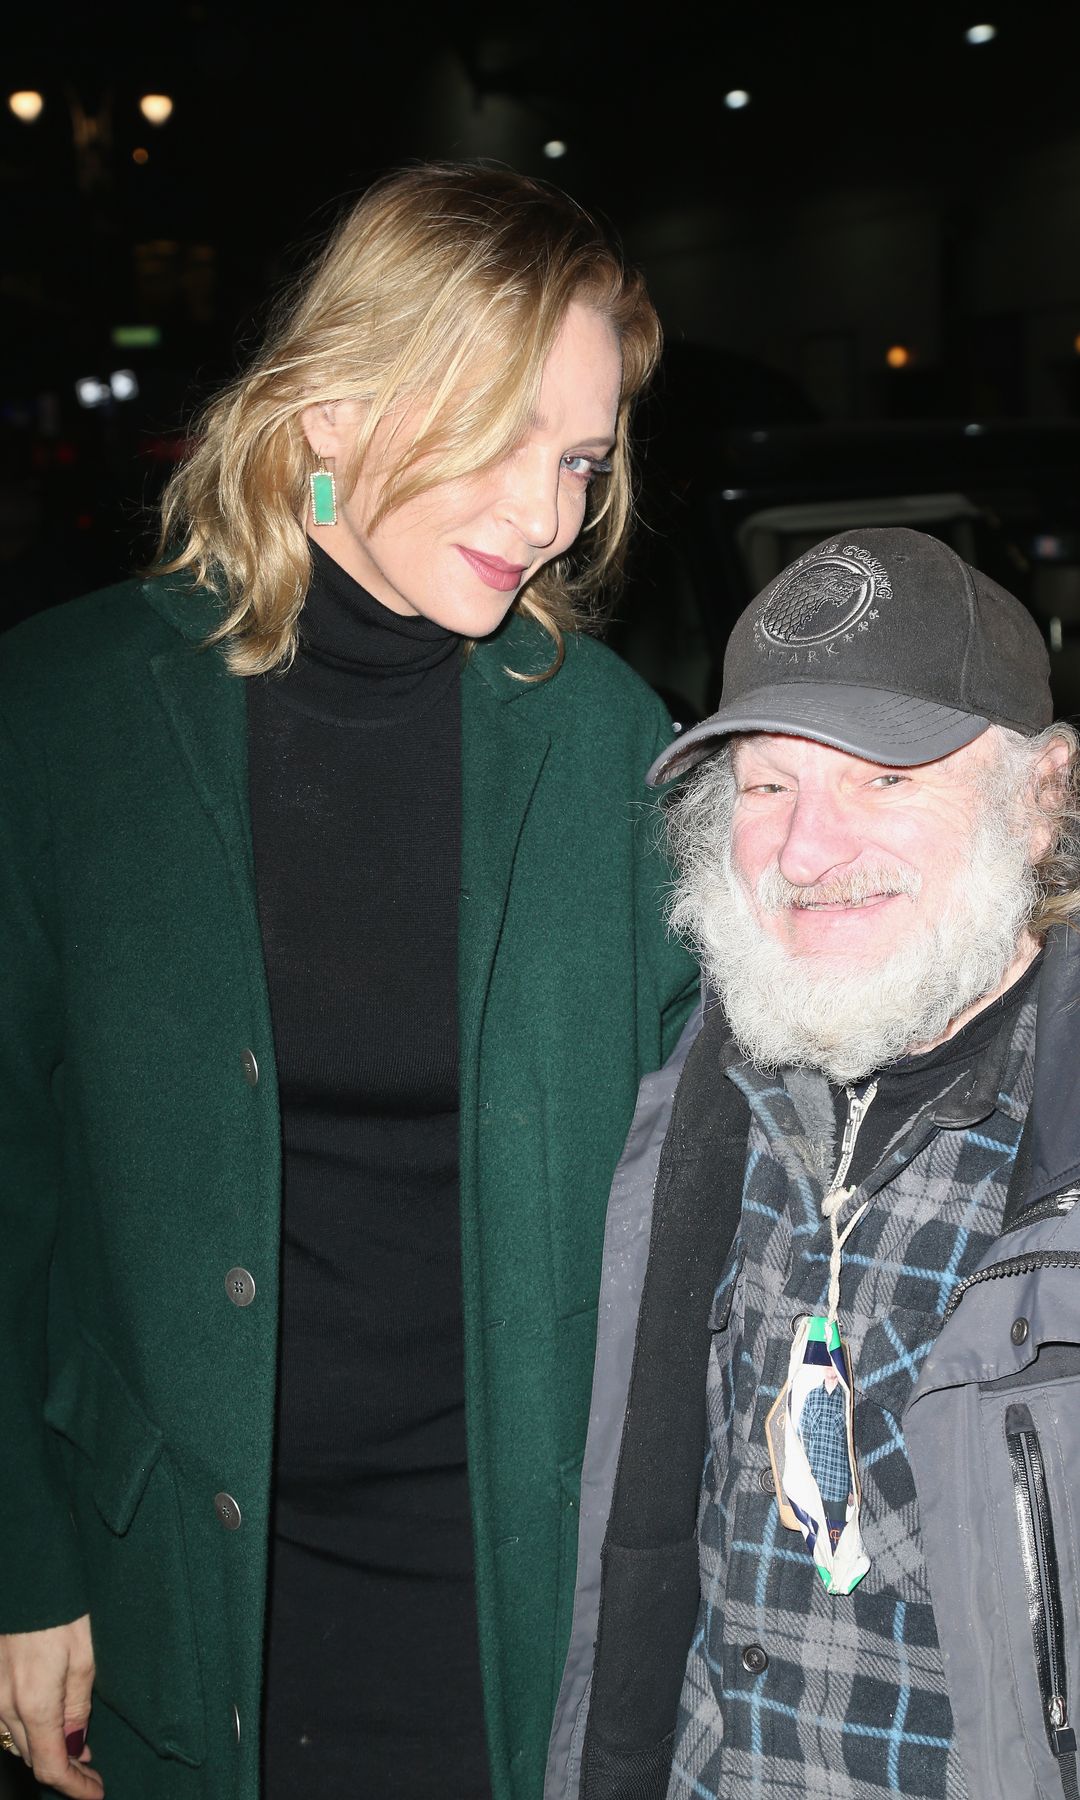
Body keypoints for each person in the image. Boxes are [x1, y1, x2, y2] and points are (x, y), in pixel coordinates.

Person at [0, 163, 698, 1800]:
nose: (547, 514)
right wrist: (23, 1562)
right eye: (500, 436)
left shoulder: (611, 747)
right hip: (189, 1585)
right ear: (324, 412)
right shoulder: (66, 721)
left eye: (582, 459)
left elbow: (730, 1131)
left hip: (522, 1595)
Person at [548, 527, 1080, 1800]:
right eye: (769, 787)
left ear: (1045, 791)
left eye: (885, 779)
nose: (803, 851)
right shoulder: (691, 1104)